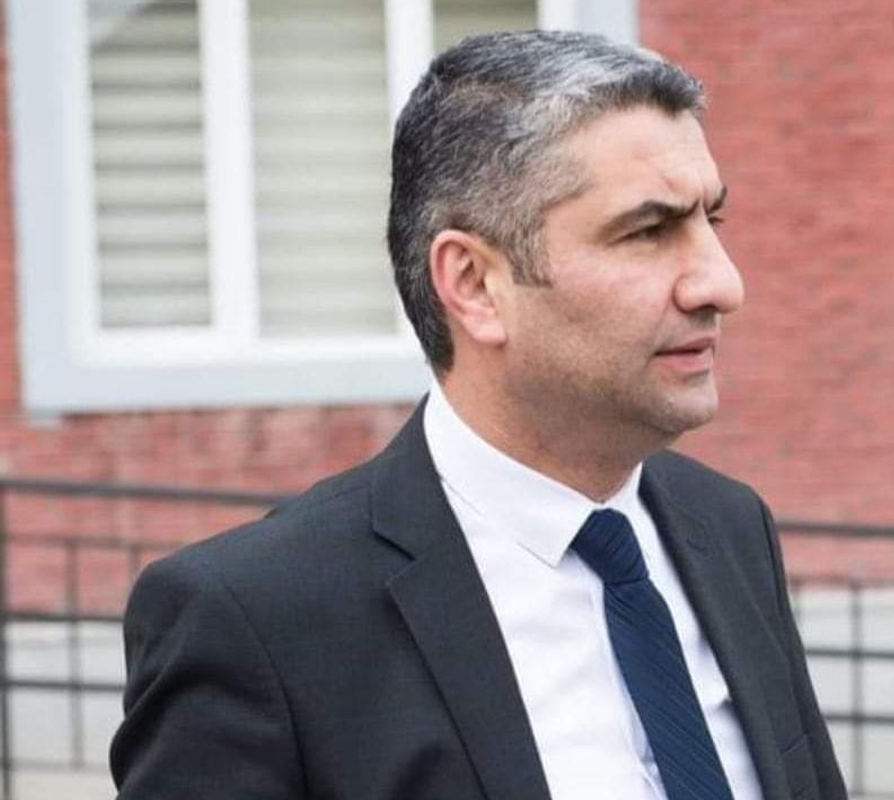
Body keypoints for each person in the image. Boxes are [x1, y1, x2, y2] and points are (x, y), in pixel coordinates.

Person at [110, 30, 846, 800]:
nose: (721, 285)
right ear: (473, 284)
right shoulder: (257, 619)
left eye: (710, 223)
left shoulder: (727, 528)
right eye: (648, 232)